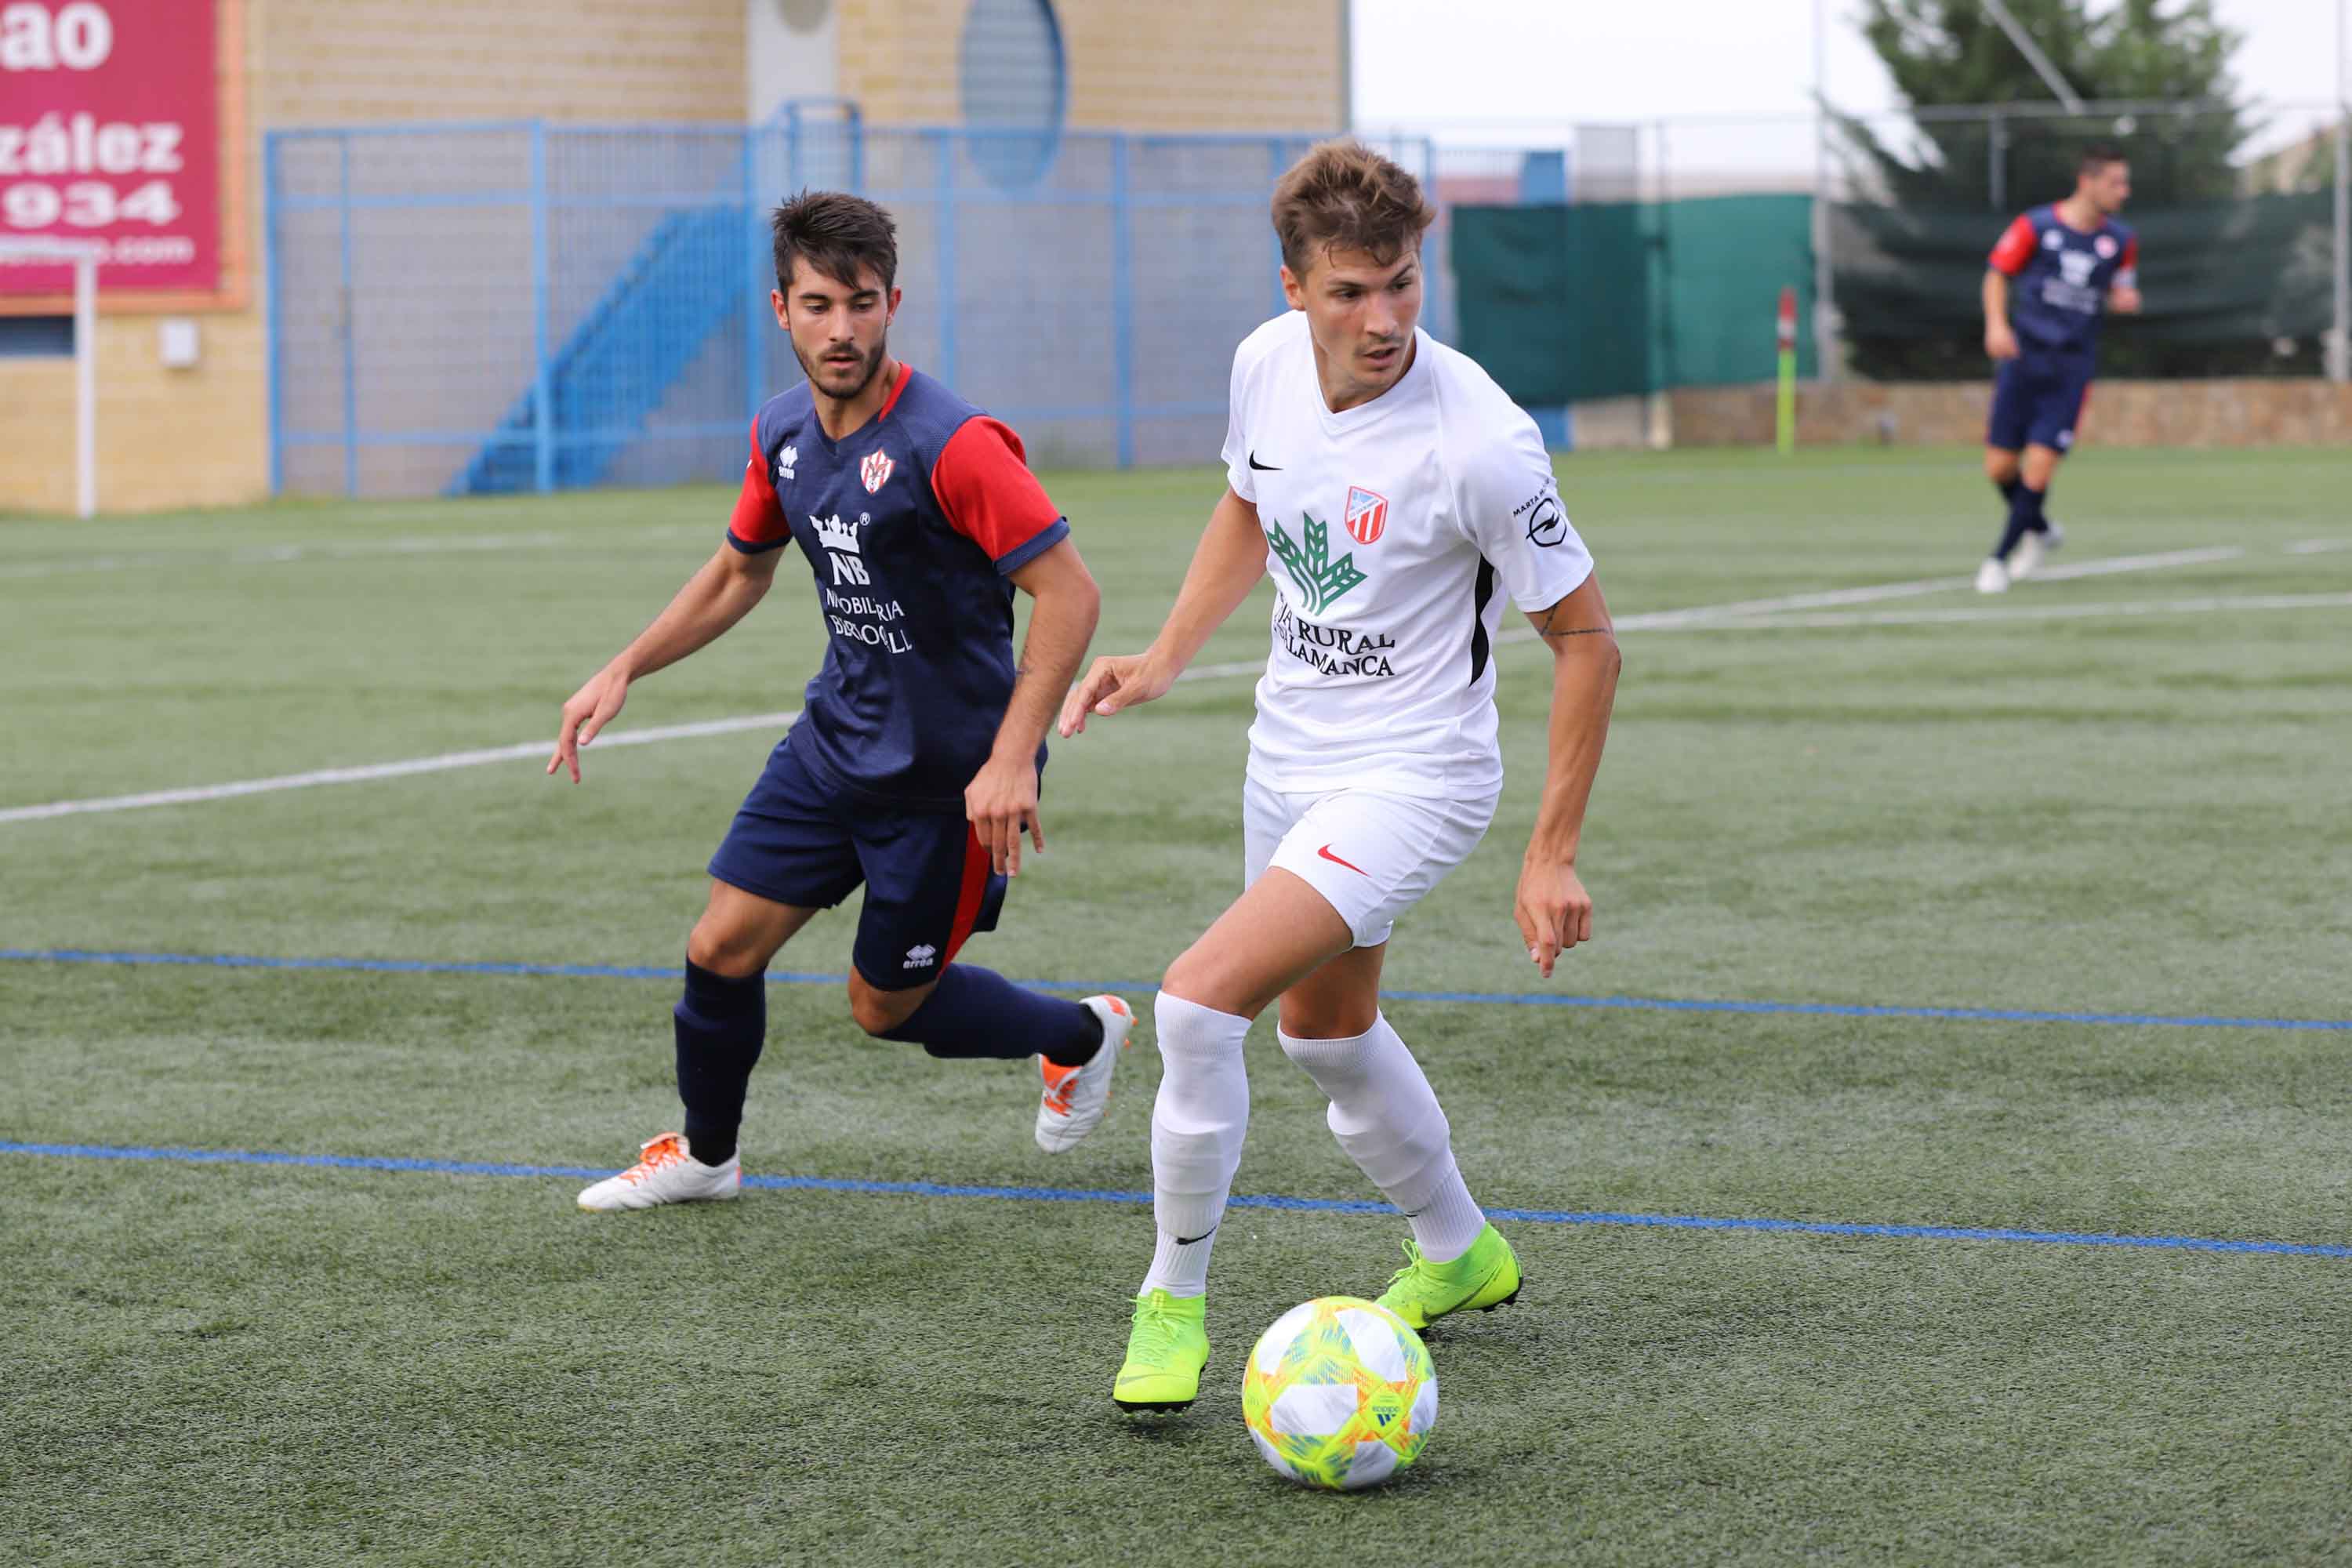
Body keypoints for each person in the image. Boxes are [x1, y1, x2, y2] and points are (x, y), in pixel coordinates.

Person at [1057, 141, 1621, 1413]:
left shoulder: (1480, 441)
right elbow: (1249, 509)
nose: (1383, 321)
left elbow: (1587, 639)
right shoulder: (1265, 364)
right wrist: (1164, 654)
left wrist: (1550, 850)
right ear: (1294, 287)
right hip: (1287, 754)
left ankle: (1170, 1302)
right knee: (1326, 1031)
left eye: (1404, 286)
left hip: (1416, 773)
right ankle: (1462, 1253)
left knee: (1200, 1006)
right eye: (1352, 293)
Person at [550, 191, 1134, 1213]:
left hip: (950, 780)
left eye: (861, 303)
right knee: (718, 947)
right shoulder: (781, 432)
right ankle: (707, 1156)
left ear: (891, 302)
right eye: (818, 305)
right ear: (782, 309)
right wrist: (625, 666)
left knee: (884, 1007)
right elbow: (740, 572)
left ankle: (1082, 1036)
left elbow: (1071, 591)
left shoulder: (950, 444)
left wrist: (1010, 758)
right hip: (834, 746)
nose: (842, 329)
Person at [1977, 144, 2143, 594]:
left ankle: (1998, 559)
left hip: (2071, 366)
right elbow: (1996, 273)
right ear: (2086, 182)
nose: (2123, 192)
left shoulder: (2121, 241)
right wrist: (1996, 325)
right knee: (1999, 467)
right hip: (2023, 357)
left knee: (2040, 466)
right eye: (2115, 182)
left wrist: (2123, 299)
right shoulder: (2037, 226)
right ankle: (2039, 527)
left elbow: (2121, 286)